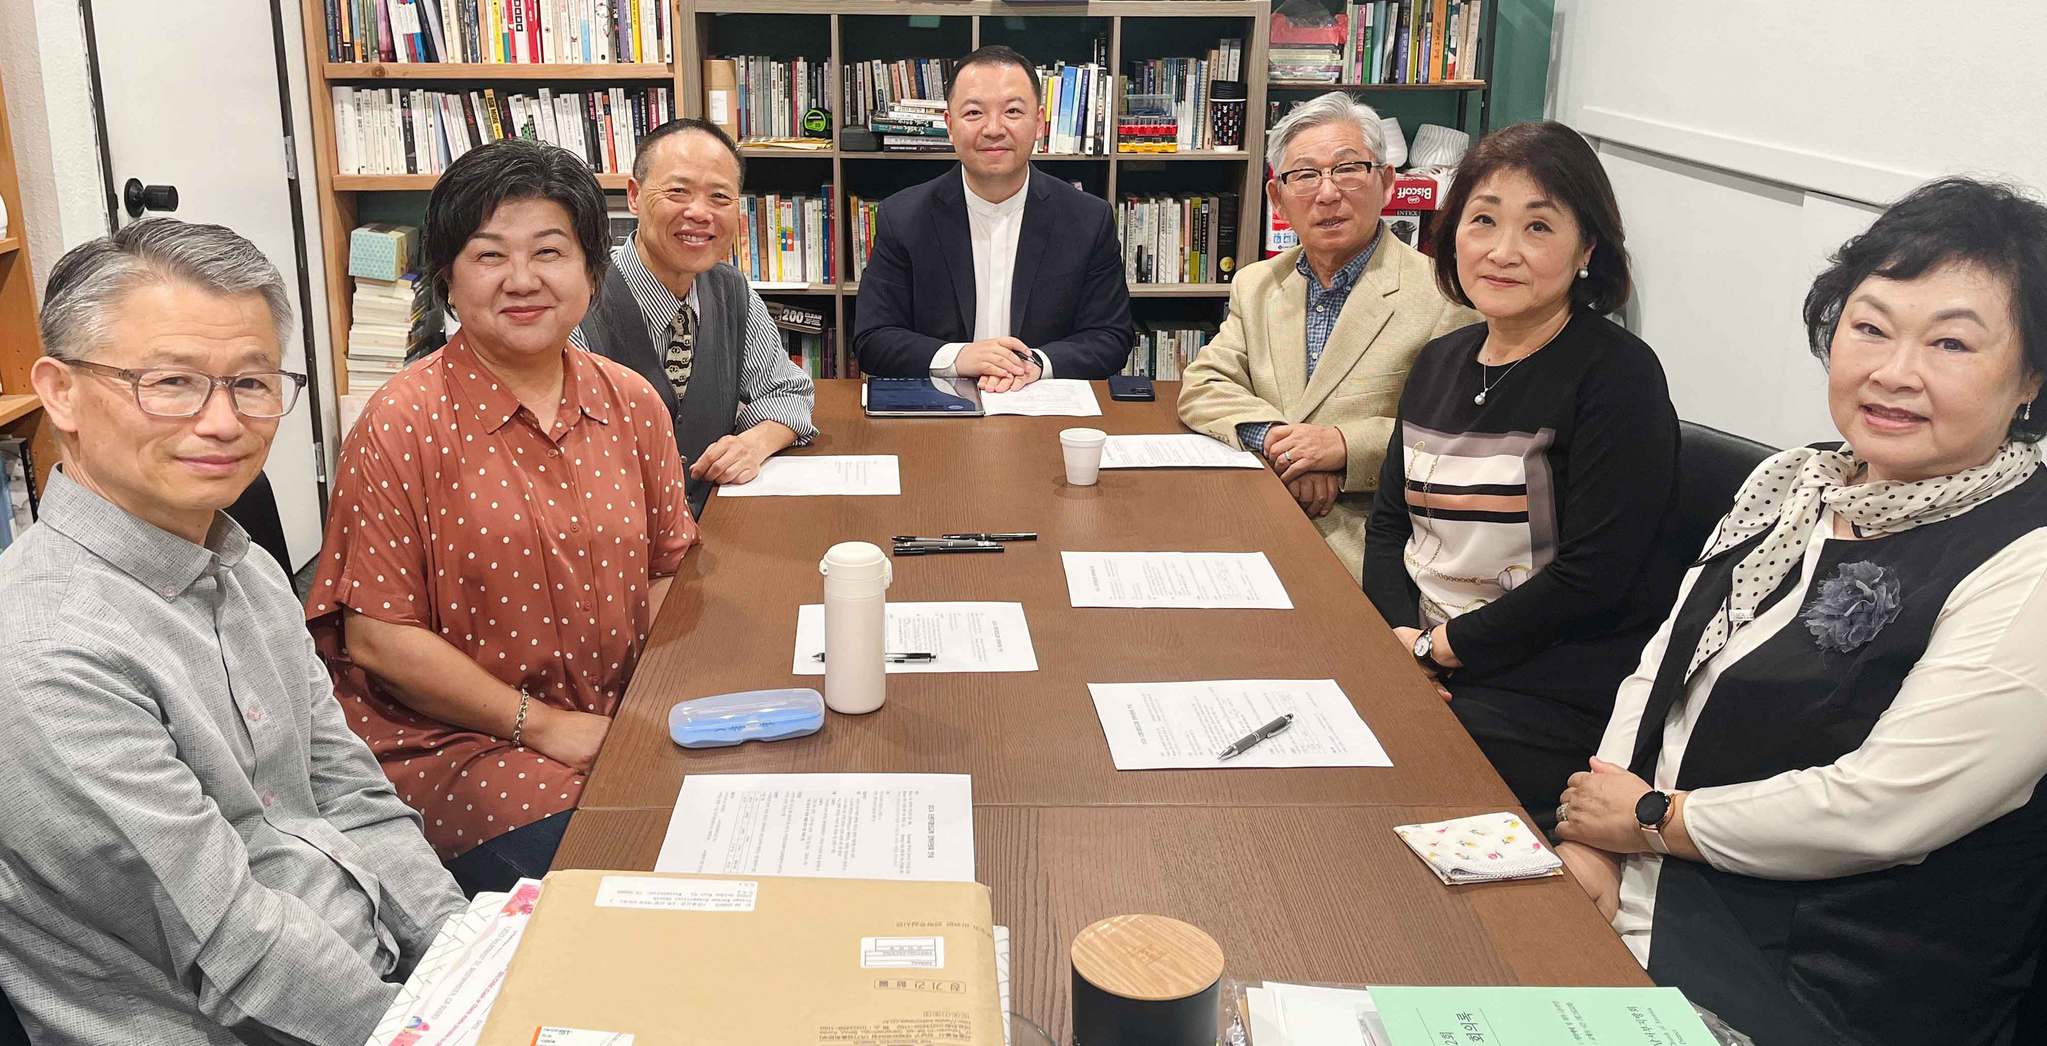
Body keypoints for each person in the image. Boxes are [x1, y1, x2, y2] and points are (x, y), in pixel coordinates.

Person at [1555, 177, 2047, 1046]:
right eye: (1870, 328)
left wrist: (1647, 822)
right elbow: (1662, 665)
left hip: (1826, 987)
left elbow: (1884, 809)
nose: (1893, 373)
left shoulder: (2025, 554)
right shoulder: (1793, 483)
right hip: (1648, 893)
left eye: (1951, 345)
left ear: (2030, 381)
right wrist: (1595, 845)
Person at [0, 219, 465, 1044]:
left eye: (252, 384)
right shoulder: (42, 654)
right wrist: (439, 1028)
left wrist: (467, 958)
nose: (222, 422)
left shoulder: (244, 565)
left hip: (383, 982)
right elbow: (234, 954)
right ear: (61, 391)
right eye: (171, 382)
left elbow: (352, 794)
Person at [306, 138, 700, 894]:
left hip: (610, 715)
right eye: (489, 256)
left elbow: (665, 568)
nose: (522, 281)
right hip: (457, 745)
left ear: (591, 270)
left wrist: (648, 706)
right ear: (449, 280)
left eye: (549, 251)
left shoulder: (631, 402)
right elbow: (379, 639)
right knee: (639, 875)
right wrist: (547, 727)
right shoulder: (400, 423)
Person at [1359, 121, 1683, 823]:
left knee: (1372, 770)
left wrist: (1441, 648)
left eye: (1538, 228)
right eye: (1482, 220)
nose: (1502, 251)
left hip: (1547, 683)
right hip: (1430, 655)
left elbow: (1592, 578)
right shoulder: (1441, 361)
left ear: (1586, 249)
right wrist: (1399, 640)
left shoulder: (1616, 375)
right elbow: (1389, 526)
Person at [1179, 92, 1479, 582]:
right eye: (1304, 175)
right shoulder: (1258, 284)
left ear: (1385, 184)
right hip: (1251, 516)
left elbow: (1460, 434)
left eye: (1347, 169)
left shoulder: (1445, 295)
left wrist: (1342, 447)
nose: (1327, 193)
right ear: (1277, 199)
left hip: (1369, 544)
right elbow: (1205, 384)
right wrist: (1280, 441)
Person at [573, 118, 816, 516]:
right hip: (613, 543)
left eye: (720, 197)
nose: (699, 213)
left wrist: (752, 444)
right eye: (678, 191)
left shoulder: (731, 292)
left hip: (717, 529)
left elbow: (787, 392)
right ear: (634, 196)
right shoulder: (580, 304)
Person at [852, 44, 1133, 388]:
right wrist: (959, 357)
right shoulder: (903, 217)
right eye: (973, 113)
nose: (994, 128)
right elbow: (873, 338)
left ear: (1040, 123)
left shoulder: (1089, 219)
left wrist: (1035, 365)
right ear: (950, 126)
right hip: (939, 413)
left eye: (1013, 111)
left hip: (1044, 409)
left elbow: (1111, 337)